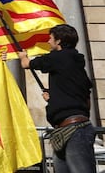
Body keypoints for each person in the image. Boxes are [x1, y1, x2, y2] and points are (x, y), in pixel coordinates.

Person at [17, 24, 96, 173]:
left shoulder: (58, 57)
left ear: (58, 41)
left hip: (73, 130)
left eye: (50, 38)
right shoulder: (75, 64)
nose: (48, 41)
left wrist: (23, 56)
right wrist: (53, 100)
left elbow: (26, 65)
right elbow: (86, 97)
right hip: (72, 128)